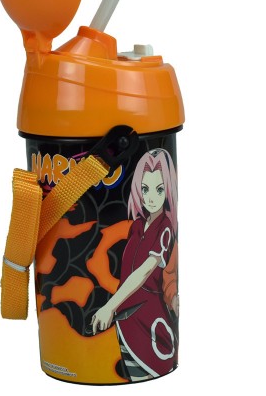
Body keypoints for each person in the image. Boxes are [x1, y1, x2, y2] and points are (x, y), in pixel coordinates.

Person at [91, 148, 179, 381]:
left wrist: (109, 306)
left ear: (168, 190)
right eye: (145, 189)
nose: (151, 198)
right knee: (133, 375)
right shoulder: (138, 226)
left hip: (148, 320)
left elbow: (144, 271)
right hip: (126, 320)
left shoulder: (165, 227)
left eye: (159, 189)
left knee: (146, 377)